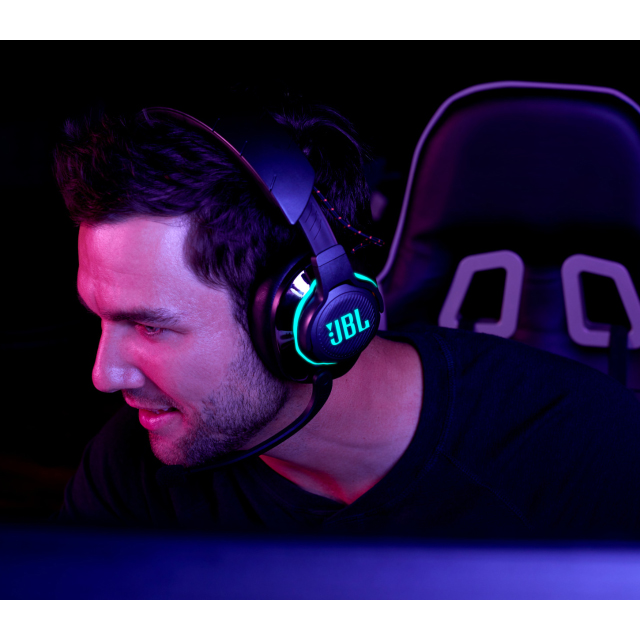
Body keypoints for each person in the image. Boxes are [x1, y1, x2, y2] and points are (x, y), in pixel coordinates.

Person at [54, 99, 640, 539]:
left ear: (306, 312)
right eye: (103, 321)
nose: (104, 376)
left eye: (151, 327)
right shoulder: (129, 473)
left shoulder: (590, 458)